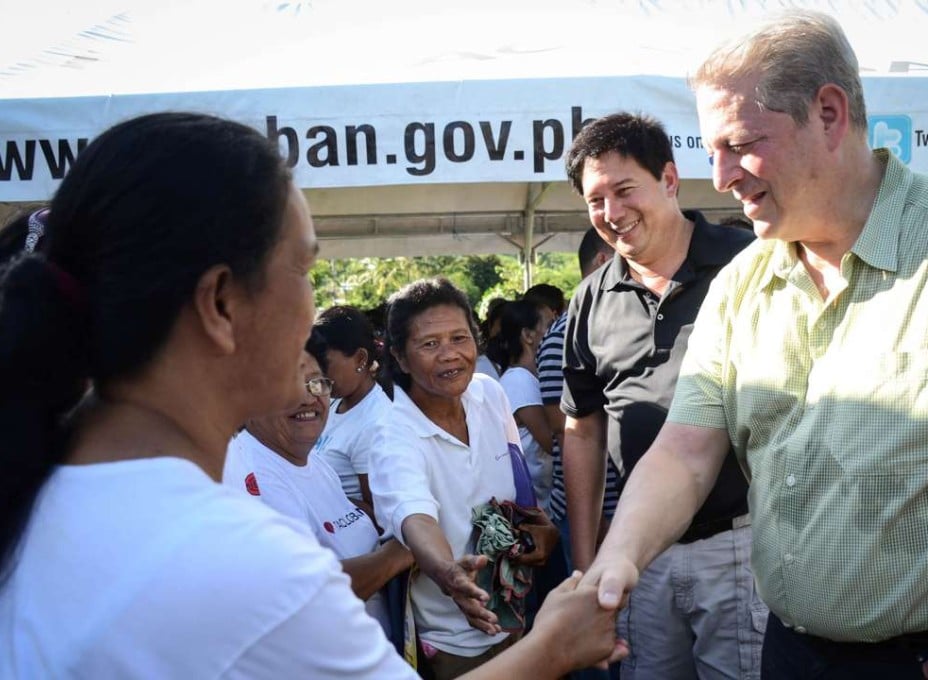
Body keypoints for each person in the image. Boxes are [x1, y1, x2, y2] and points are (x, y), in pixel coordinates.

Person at [0, 111, 625, 678]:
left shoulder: (44, 495)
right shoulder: (244, 567)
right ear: (221, 304)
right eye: (302, 270)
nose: (314, 311)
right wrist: (555, 646)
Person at [583, 10, 928, 680]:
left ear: (829, 112)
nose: (722, 176)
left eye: (740, 144)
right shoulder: (742, 285)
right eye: (712, 151)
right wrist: (621, 555)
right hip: (790, 652)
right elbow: (686, 451)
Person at [562, 112, 762, 679]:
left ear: (669, 180)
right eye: (596, 200)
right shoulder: (592, 298)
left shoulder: (744, 262)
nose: (612, 213)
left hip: (738, 545)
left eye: (625, 190)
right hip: (639, 555)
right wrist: (588, 561)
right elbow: (582, 426)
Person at [371, 277, 561, 680]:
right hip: (455, 644)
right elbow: (415, 518)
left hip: (519, 619)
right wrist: (448, 572)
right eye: (429, 344)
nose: (449, 355)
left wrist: (541, 531)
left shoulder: (489, 394)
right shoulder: (392, 434)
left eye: (459, 337)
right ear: (401, 359)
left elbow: (518, 489)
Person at [223, 335, 412, 637]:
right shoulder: (253, 479)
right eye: (287, 386)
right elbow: (310, 592)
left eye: (317, 383)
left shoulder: (314, 461)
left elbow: (340, 514)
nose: (308, 398)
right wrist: (400, 552)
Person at [538, 228, 619, 562]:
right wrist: (593, 519)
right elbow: (565, 429)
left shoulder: (620, 323)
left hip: (626, 509)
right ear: (603, 261)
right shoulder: (565, 333)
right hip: (596, 513)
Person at [311, 304, 392, 513]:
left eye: (324, 365)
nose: (318, 374)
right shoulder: (334, 401)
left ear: (361, 359)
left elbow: (380, 516)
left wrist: (318, 496)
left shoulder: (375, 423)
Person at [493, 299, 555, 516]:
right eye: (550, 325)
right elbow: (552, 442)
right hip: (534, 508)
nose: (556, 331)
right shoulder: (519, 381)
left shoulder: (526, 378)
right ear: (528, 336)